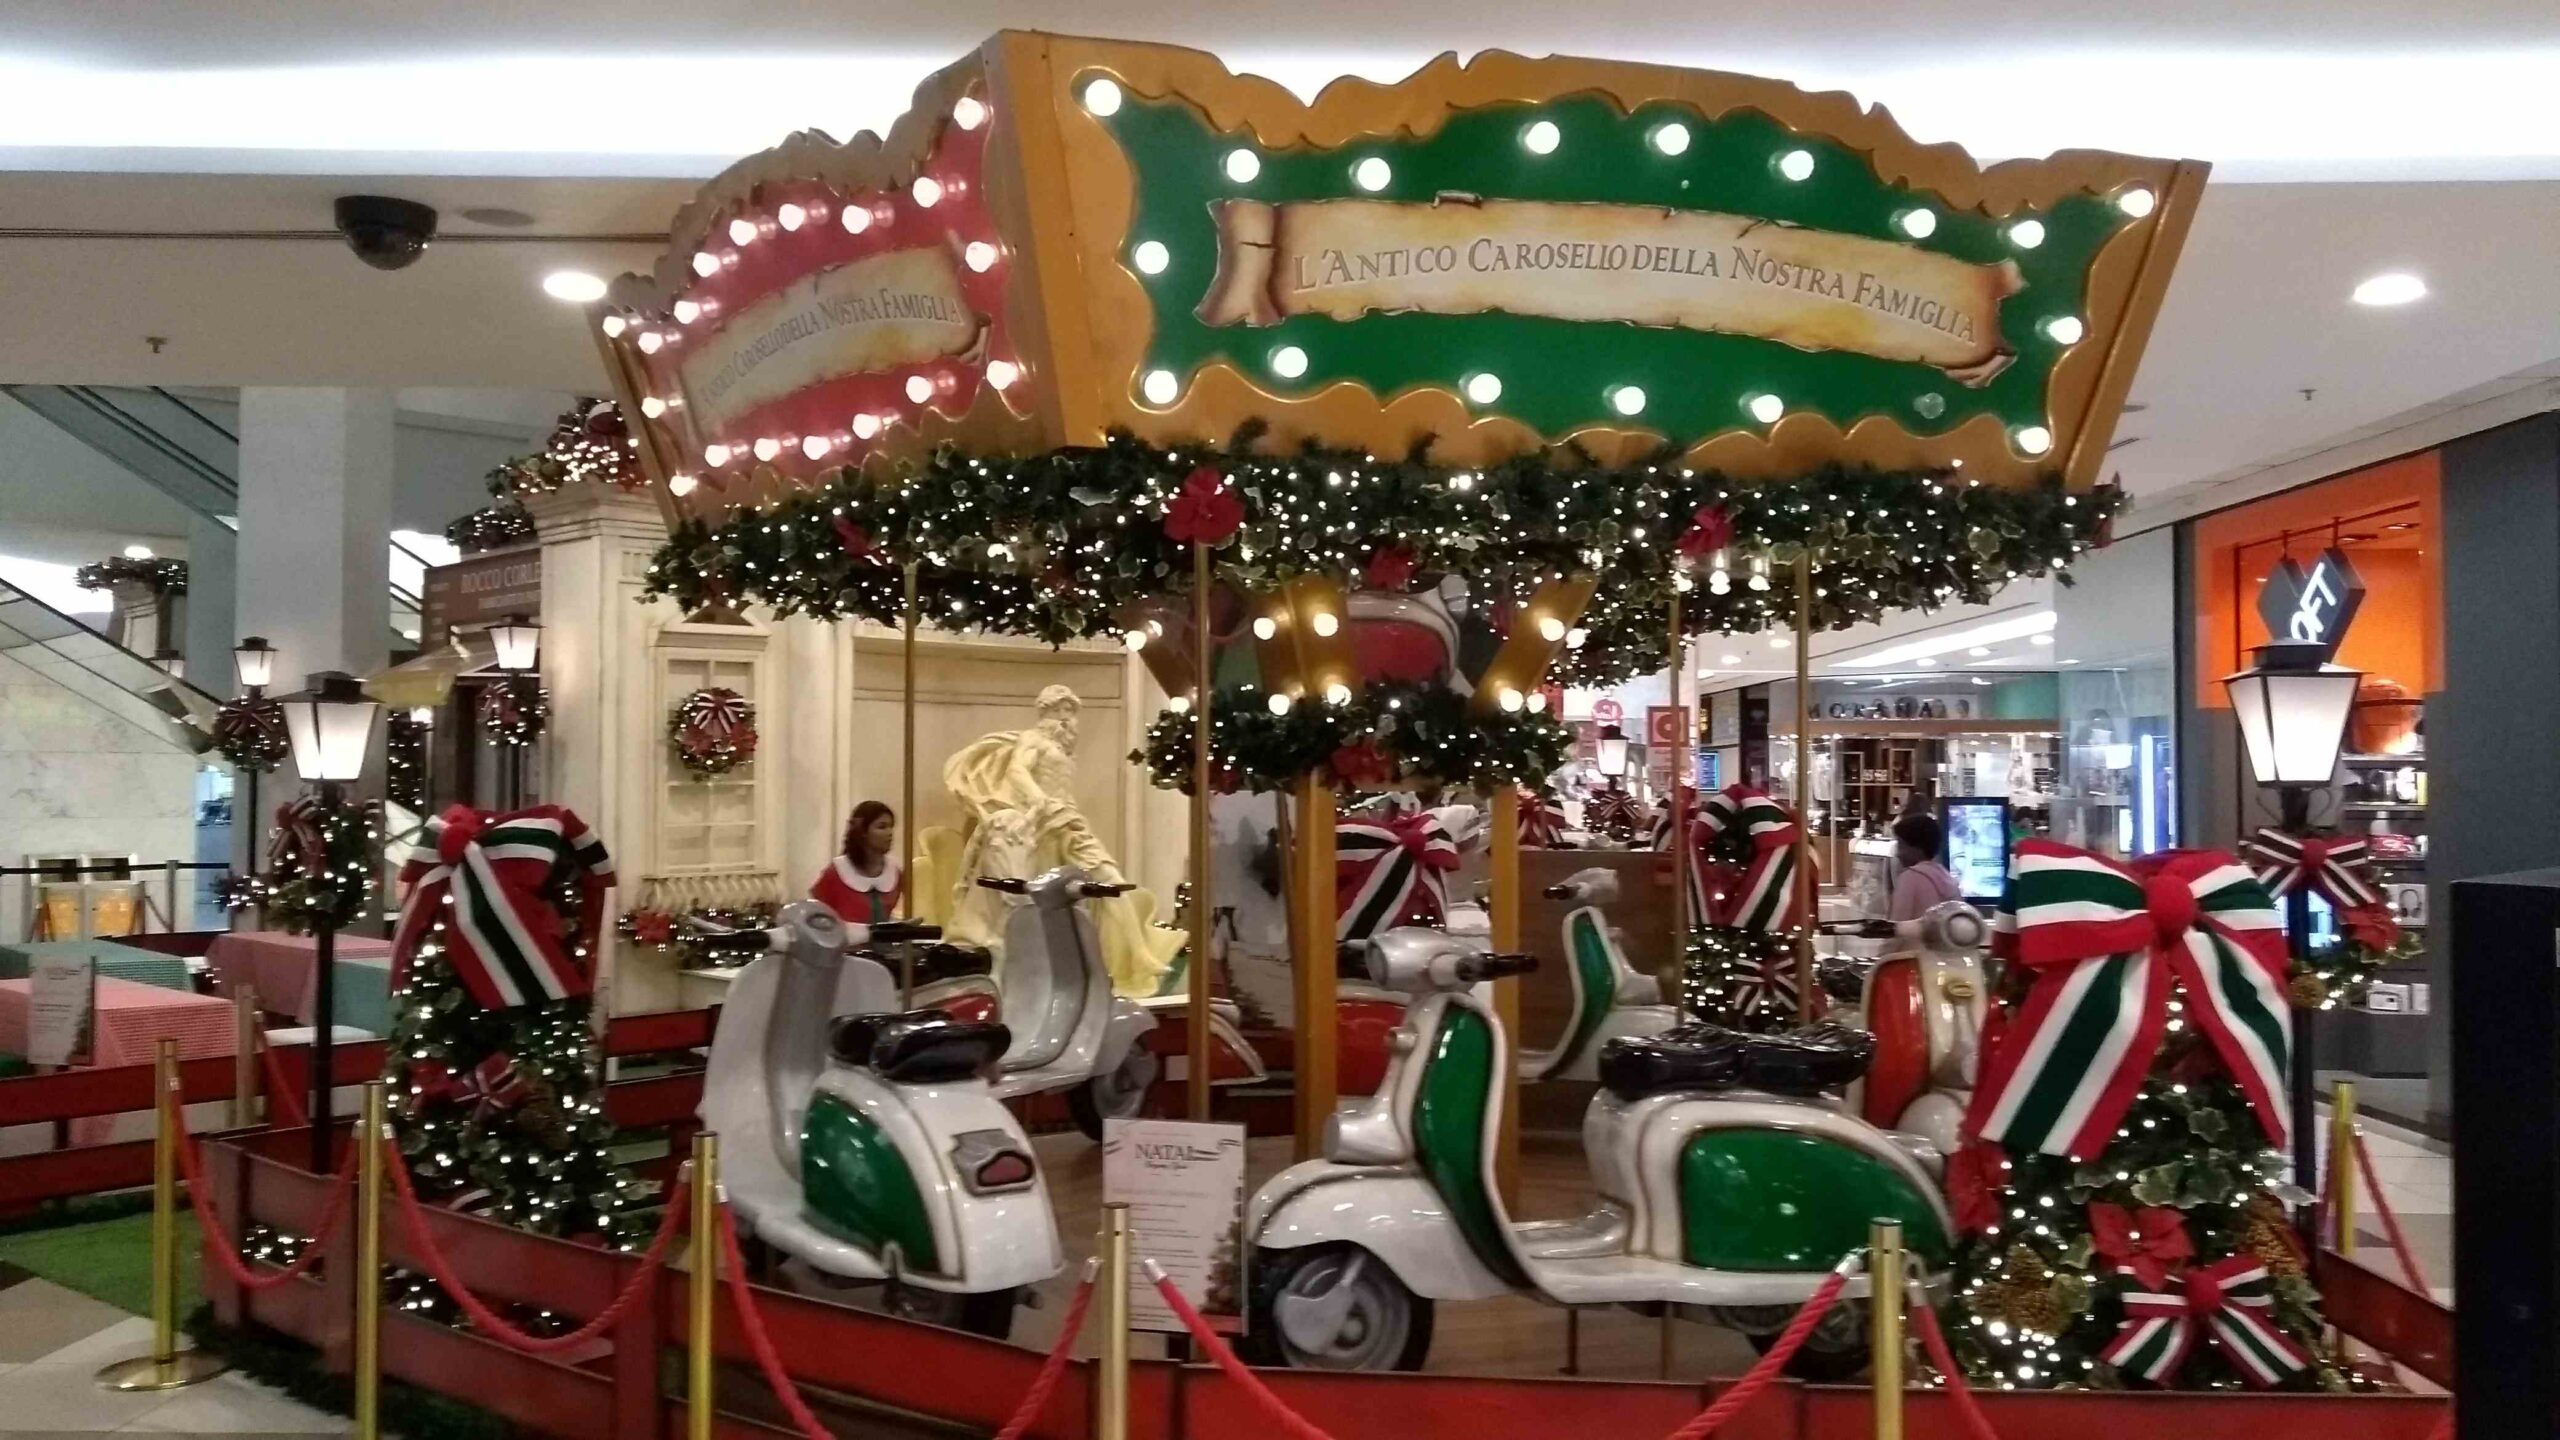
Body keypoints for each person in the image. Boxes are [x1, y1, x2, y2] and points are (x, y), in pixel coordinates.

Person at [812, 800, 902, 926]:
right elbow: (816, 917)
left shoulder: (895, 872)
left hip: (883, 944)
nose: (890, 833)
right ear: (863, 832)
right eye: (882, 827)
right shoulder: (836, 872)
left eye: (891, 826)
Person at [1887, 813, 1963, 922]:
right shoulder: (1946, 877)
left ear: (1917, 848)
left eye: (1901, 845)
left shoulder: (1910, 878)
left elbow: (1897, 927)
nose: (1898, 854)